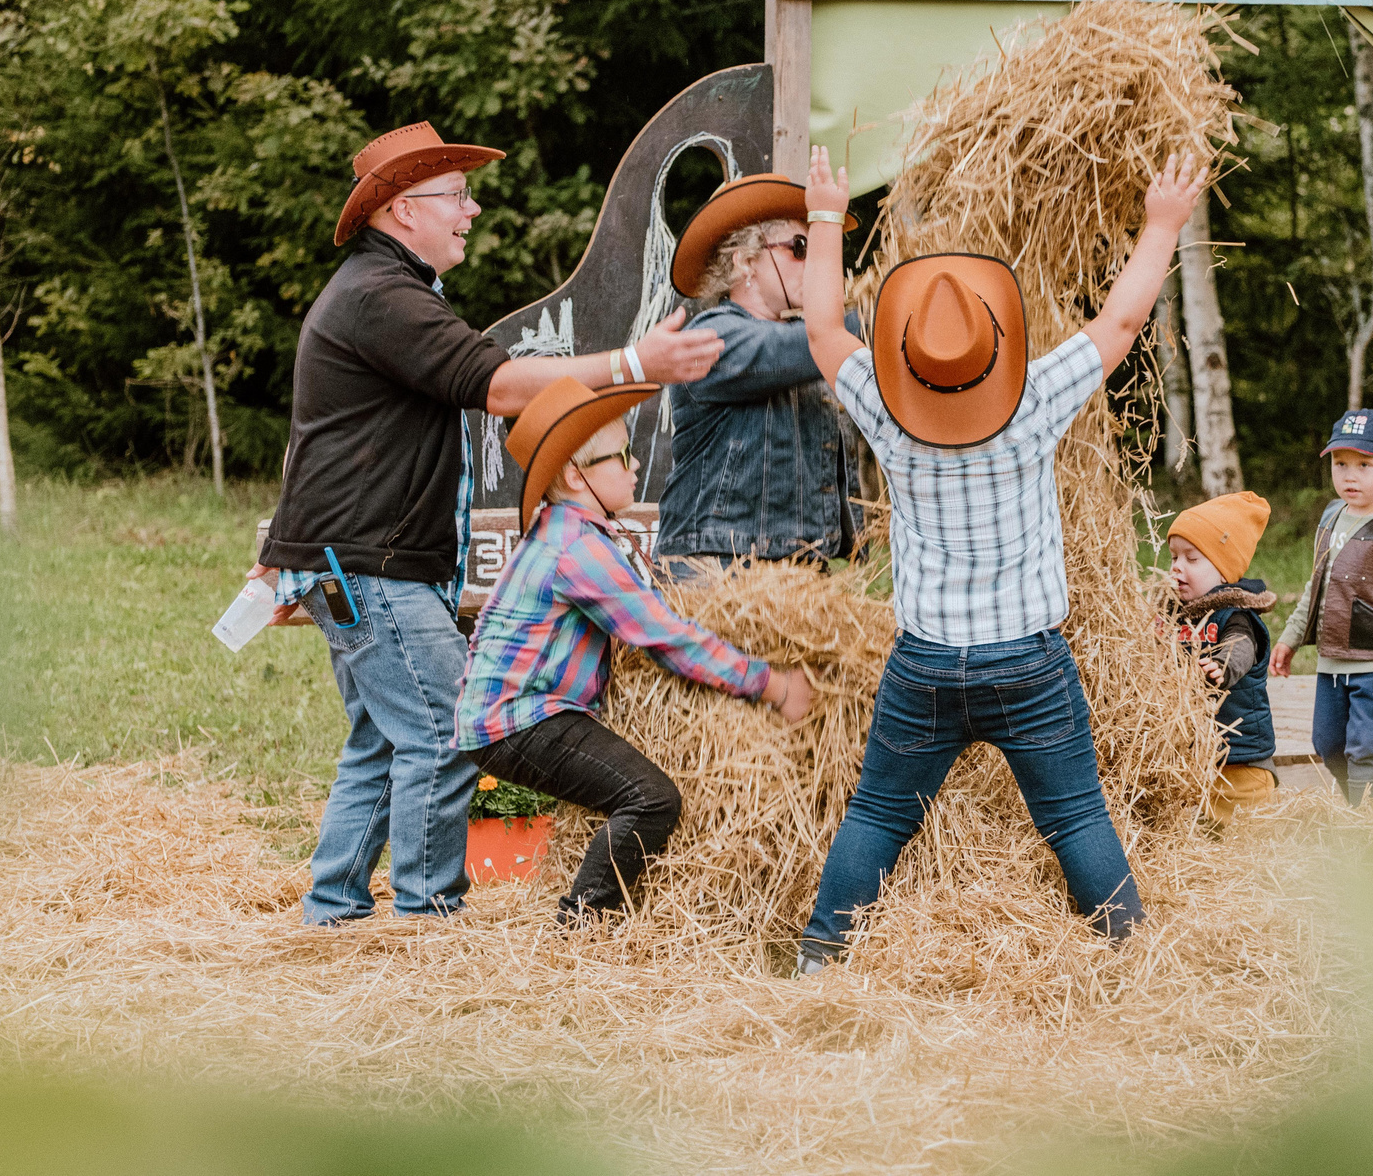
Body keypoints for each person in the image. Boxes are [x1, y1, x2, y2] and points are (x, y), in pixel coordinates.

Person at [252, 123, 726, 926]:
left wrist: (278, 555)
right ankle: (429, 917)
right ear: (404, 209)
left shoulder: (382, 291)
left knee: (381, 739)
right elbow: (500, 385)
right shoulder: (378, 295)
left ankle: (332, 913)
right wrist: (634, 365)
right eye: (457, 196)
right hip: (371, 565)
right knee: (446, 729)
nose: (471, 210)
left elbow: (314, 436)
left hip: (354, 561)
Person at [792, 142, 1208, 969]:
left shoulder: (884, 408)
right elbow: (1120, 322)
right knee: (1077, 815)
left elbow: (818, 327)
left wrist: (826, 215)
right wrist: (1161, 225)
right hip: (1029, 660)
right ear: (995, 347)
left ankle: (819, 956)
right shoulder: (1030, 403)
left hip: (926, 665)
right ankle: (1132, 958)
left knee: (878, 814)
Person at [458, 376, 814, 924]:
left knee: (634, 792)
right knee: (650, 799)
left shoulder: (571, 531)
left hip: (517, 714)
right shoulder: (578, 548)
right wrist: (769, 682)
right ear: (577, 475)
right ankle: (580, 930)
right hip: (518, 720)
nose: (636, 466)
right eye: (623, 455)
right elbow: (664, 637)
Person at [657, 175, 859, 579]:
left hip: (798, 580)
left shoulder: (815, 348)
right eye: (801, 248)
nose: (817, 261)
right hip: (715, 576)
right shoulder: (711, 337)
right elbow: (800, 345)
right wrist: (891, 316)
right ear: (746, 261)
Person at [1267, 409, 1373, 804]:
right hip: (1332, 660)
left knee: (1365, 746)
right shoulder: (1331, 516)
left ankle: (1367, 825)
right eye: (1341, 464)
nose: (1350, 475)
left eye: (1364, 464)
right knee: (1326, 743)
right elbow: (1316, 584)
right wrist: (1290, 637)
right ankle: (1360, 805)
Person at [1163, 489, 1280, 818]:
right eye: (1174, 557)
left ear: (1224, 570)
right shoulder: (1176, 614)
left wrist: (1221, 664)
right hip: (1197, 763)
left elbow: (1240, 646)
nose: (1177, 568)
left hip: (1241, 764)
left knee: (1245, 840)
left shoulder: (1236, 615)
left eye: (1192, 558)